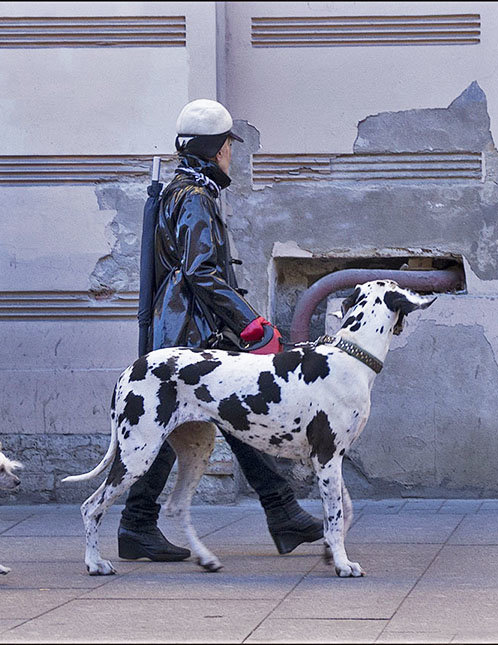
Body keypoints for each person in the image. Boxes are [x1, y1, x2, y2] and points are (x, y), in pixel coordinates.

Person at [118, 99, 324, 561]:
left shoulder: (185, 190)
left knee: (214, 417)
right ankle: (139, 523)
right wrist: (248, 322)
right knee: (202, 418)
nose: (232, 150)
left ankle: (281, 510)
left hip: (186, 325)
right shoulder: (194, 197)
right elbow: (202, 272)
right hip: (193, 330)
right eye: (229, 142)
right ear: (216, 148)